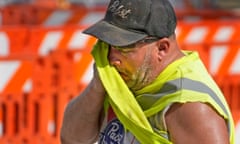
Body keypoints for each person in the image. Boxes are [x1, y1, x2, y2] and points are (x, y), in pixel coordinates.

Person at [60, 0, 235, 143]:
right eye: (108, 45)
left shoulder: (189, 106)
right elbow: (72, 139)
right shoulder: (127, 77)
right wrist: (97, 87)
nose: (113, 58)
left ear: (162, 49)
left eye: (125, 49)